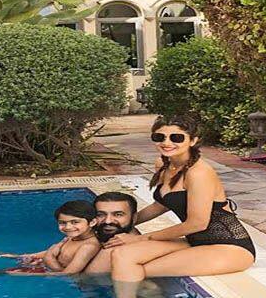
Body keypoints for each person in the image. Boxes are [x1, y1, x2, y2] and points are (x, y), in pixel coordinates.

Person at [105, 116, 255, 298]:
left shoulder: (199, 173)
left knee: (137, 269)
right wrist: (125, 222)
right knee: (122, 256)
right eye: (159, 137)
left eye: (176, 138)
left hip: (228, 246)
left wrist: (141, 239)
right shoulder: (163, 164)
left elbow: (197, 223)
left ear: (193, 140)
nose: (167, 143)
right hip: (194, 241)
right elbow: (161, 204)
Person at [0, 200, 101, 277]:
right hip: (45, 264)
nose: (68, 227)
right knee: (12, 259)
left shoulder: (88, 246)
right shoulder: (73, 237)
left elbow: (69, 274)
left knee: (5, 272)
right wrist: (28, 255)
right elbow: (55, 251)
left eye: (75, 222)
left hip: (51, 271)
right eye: (62, 223)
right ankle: (7, 256)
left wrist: (30, 274)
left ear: (92, 222)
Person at [83, 192, 139, 275]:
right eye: (100, 215)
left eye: (118, 214)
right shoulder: (127, 231)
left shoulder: (113, 250)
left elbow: (84, 280)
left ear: (134, 217)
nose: (108, 221)